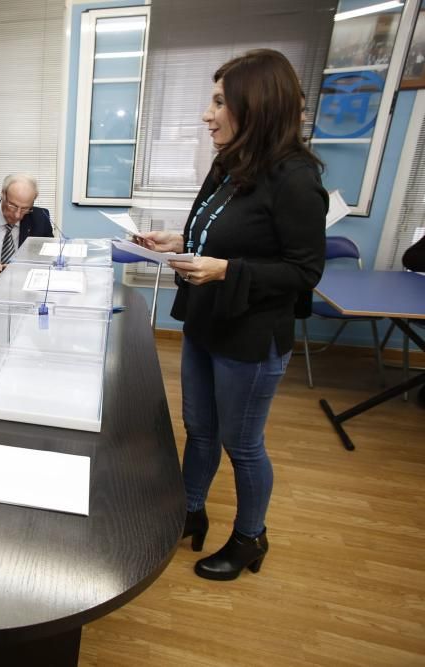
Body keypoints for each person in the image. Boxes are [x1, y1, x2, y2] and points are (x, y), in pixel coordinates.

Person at [138, 49, 327, 581]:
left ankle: (250, 538)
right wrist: (180, 242)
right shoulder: (229, 164)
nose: (207, 114)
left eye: (219, 102)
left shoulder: (295, 179)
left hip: (251, 336)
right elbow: (217, 232)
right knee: (199, 429)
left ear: (255, 106)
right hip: (206, 322)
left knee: (242, 444)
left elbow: (304, 271)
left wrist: (226, 270)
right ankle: (189, 511)